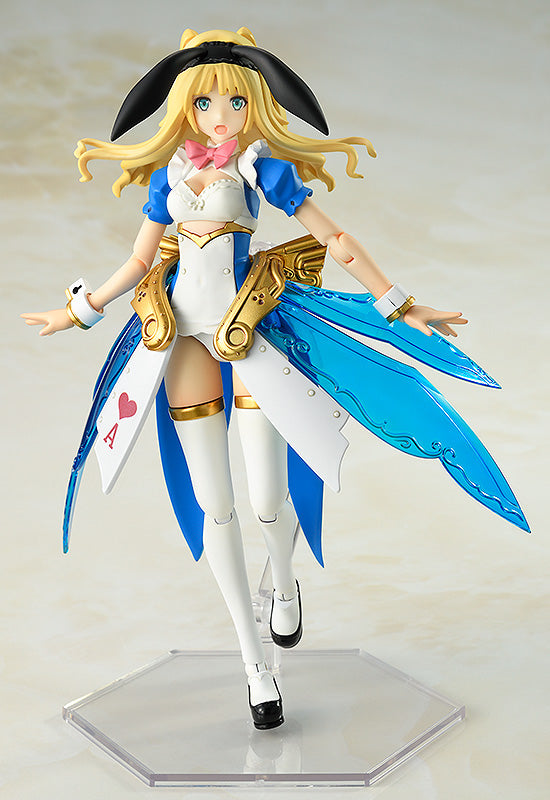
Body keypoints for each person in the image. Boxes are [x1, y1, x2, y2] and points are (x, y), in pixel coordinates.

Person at [21, 27, 528, 730]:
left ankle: (284, 580)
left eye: (234, 101)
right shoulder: (171, 173)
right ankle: (254, 663)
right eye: (205, 103)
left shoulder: (260, 167)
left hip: (251, 330)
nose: (219, 116)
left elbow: (333, 237)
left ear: (253, 104)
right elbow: (139, 261)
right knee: (216, 508)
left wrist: (398, 304)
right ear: (185, 107)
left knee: (266, 499)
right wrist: (79, 311)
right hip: (184, 339)